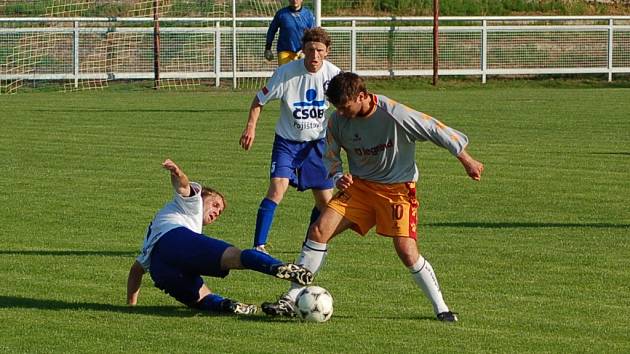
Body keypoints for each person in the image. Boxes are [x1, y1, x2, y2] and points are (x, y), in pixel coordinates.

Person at [261, 72, 485, 322]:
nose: (341, 112)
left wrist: (467, 160)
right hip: (360, 189)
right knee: (318, 231)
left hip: (397, 190)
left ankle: (441, 307)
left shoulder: (394, 114)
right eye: (337, 107)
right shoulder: (337, 121)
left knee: (406, 251)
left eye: (345, 107)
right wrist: (337, 177)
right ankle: (291, 299)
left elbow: (434, 128)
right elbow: (330, 155)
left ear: (362, 96)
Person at [126, 159, 313, 315]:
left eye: (220, 212)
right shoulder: (191, 204)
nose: (217, 212)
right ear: (201, 196)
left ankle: (228, 306)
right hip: (176, 241)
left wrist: (130, 306)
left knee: (201, 297)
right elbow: (183, 187)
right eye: (215, 204)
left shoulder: (158, 228)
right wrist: (178, 172)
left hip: (160, 270)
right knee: (236, 257)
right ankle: (279, 267)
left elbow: (136, 270)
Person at [240, 27, 341, 254]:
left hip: (318, 146)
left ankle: (310, 245)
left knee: (326, 203)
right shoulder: (286, 73)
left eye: (319, 50)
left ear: (327, 52)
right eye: (310, 49)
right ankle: (259, 246)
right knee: (277, 189)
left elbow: (345, 108)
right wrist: (250, 127)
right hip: (287, 143)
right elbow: (259, 100)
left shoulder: (334, 76)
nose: (314, 55)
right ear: (303, 50)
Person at [264, 0, 315, 65]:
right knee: (285, 73)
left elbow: (312, 34)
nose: (295, 0)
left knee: (302, 74)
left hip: (302, 51)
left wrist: (308, 49)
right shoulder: (281, 14)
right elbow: (272, 30)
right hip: (284, 51)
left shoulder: (308, 14)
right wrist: (268, 48)